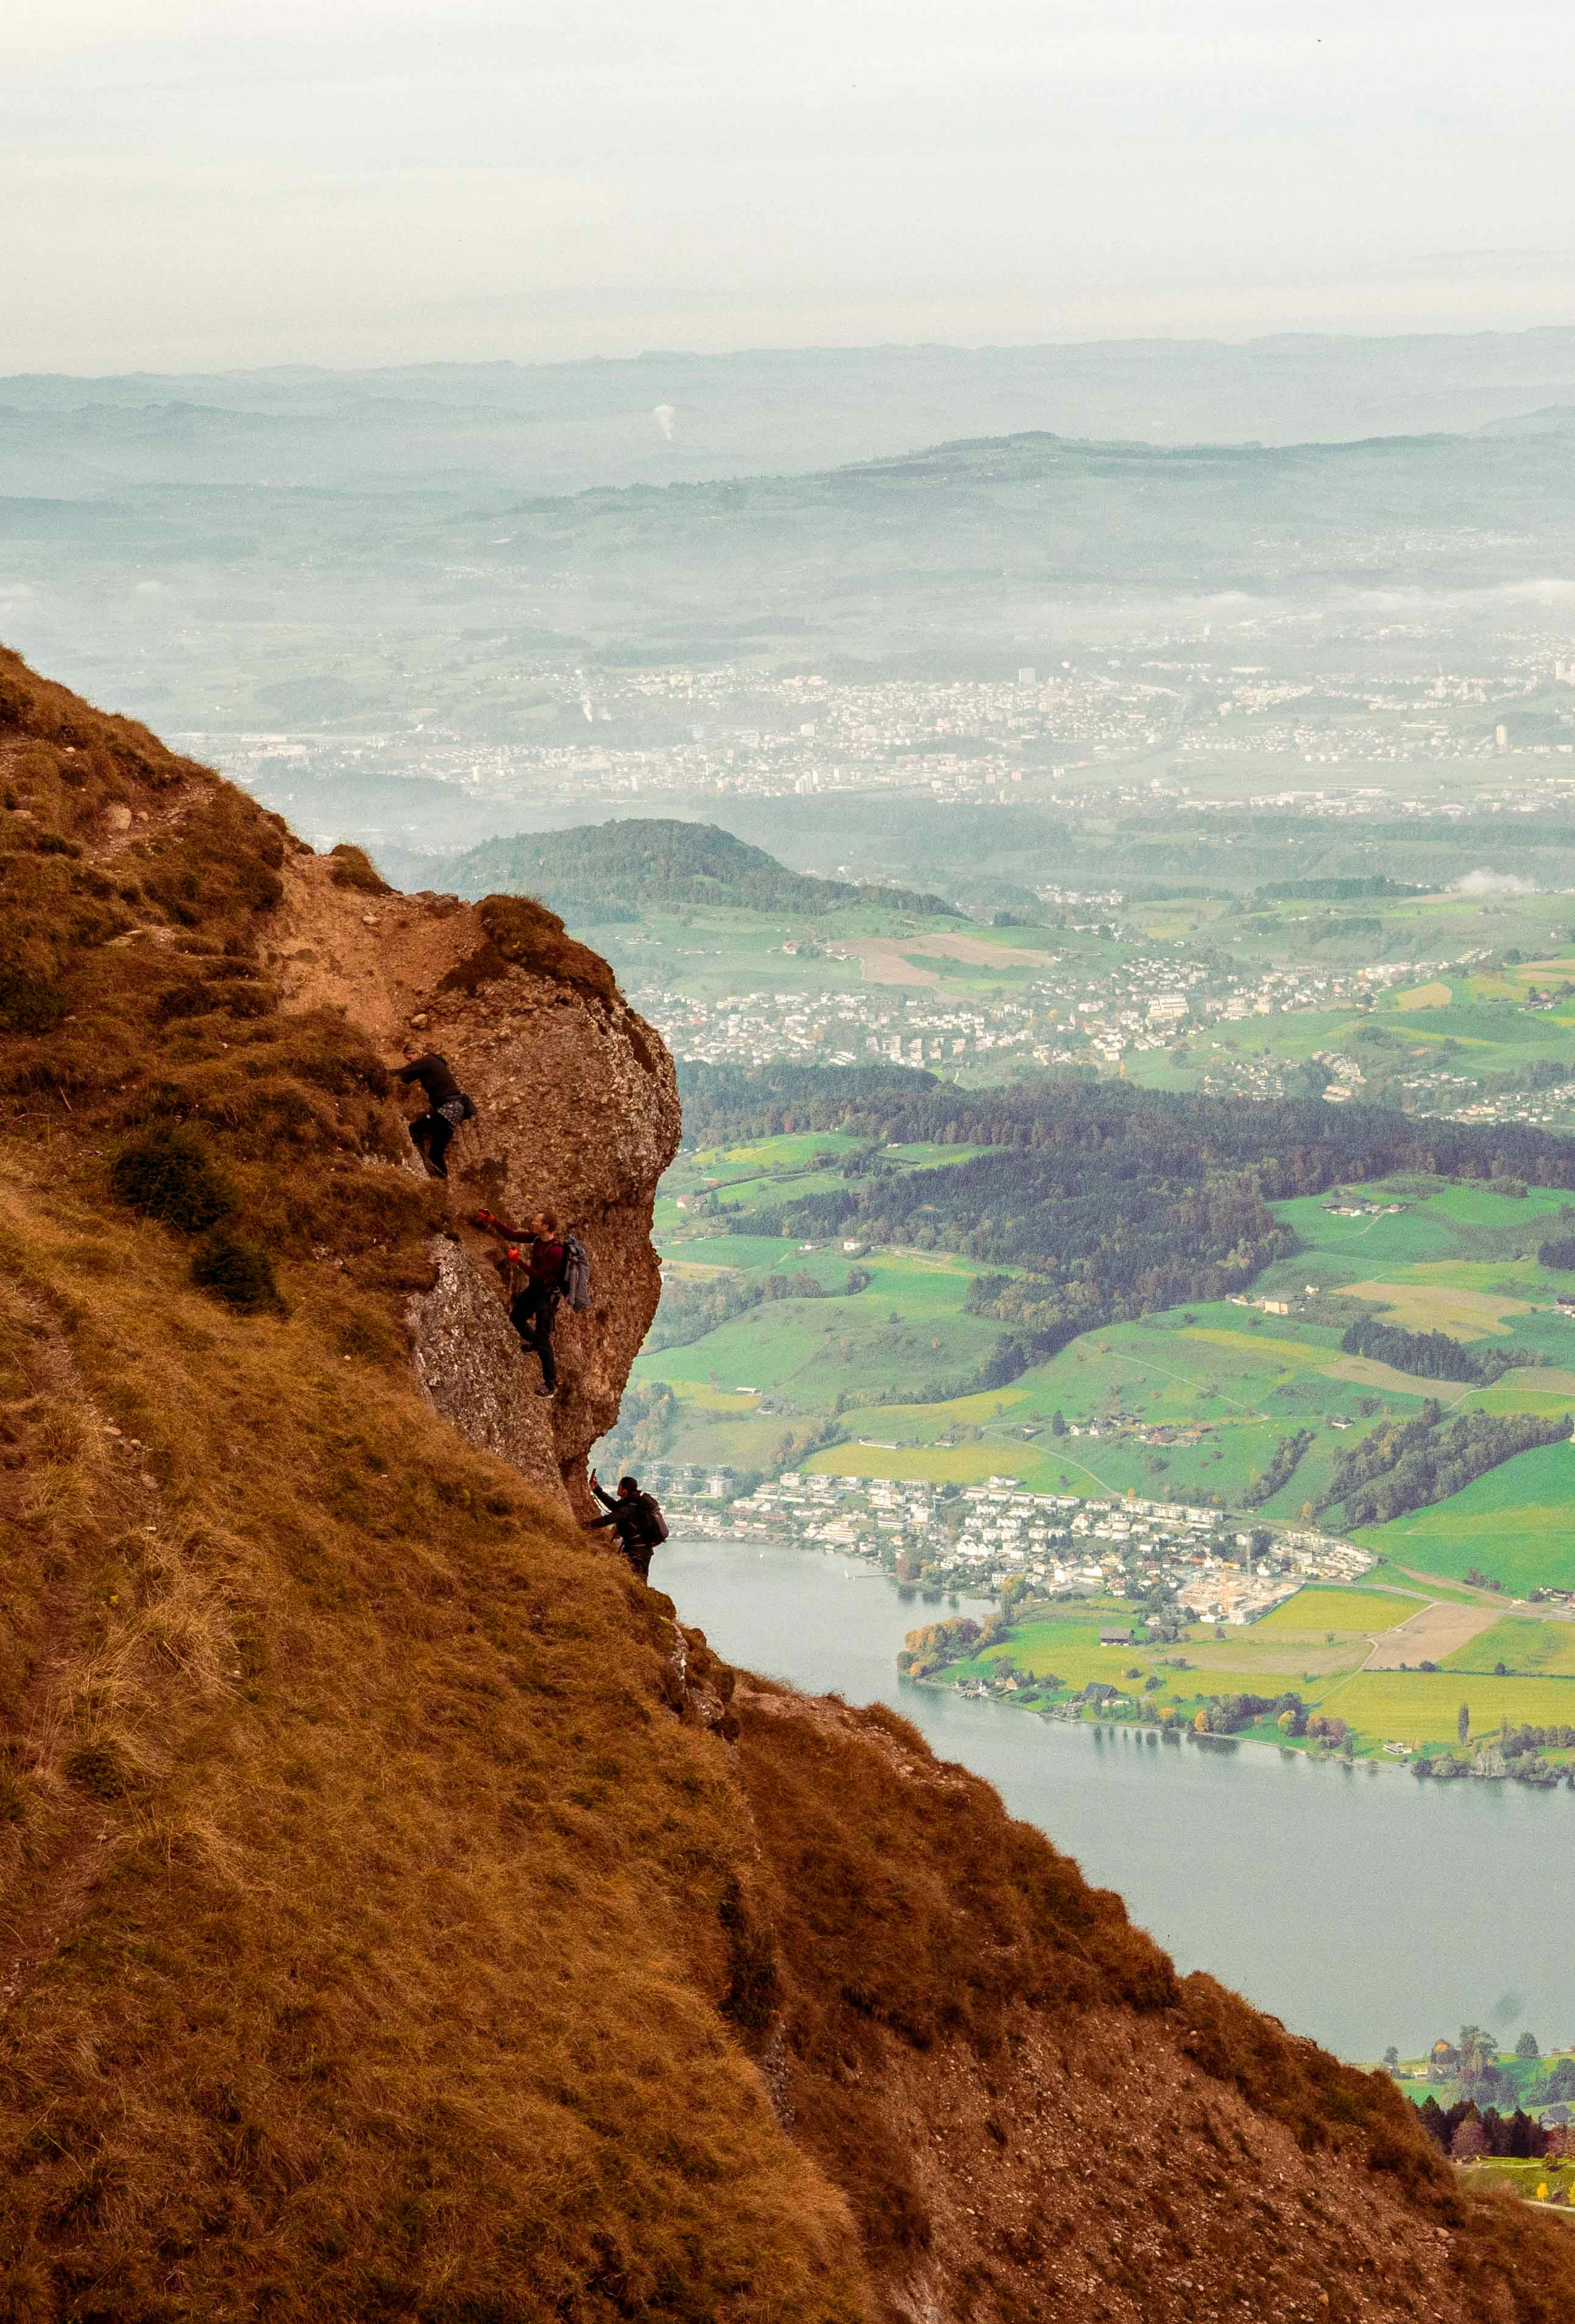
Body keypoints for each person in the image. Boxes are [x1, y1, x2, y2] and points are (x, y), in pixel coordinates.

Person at [475, 1208, 566, 1397]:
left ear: (546, 1226)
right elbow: (512, 1235)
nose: (533, 1223)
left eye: (537, 1221)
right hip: (535, 1290)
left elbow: (541, 1277)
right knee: (516, 1318)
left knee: (544, 1340)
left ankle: (550, 1386)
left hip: (546, 1295)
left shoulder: (556, 1251)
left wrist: (519, 1262)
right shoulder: (537, 1239)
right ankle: (534, 1342)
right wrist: (493, 1219)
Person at [394, 1049, 473, 1179]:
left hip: (449, 1108)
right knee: (435, 1154)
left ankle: (417, 1158)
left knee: (414, 1129)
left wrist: (381, 1073)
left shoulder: (427, 1061)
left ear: (417, 1052)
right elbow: (408, 1077)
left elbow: (403, 1073)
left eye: (410, 1058)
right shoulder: (433, 1062)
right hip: (455, 1110)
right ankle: (442, 1182)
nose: (410, 1061)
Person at [584, 1470, 665, 1582]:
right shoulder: (631, 1502)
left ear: (625, 1491)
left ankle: (640, 1599)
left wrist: (585, 1526)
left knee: (636, 1582)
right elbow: (614, 1506)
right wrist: (597, 1489)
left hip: (637, 1553)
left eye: (619, 1486)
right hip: (642, 1551)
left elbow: (608, 1519)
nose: (618, 1488)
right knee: (637, 1582)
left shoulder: (629, 1508)